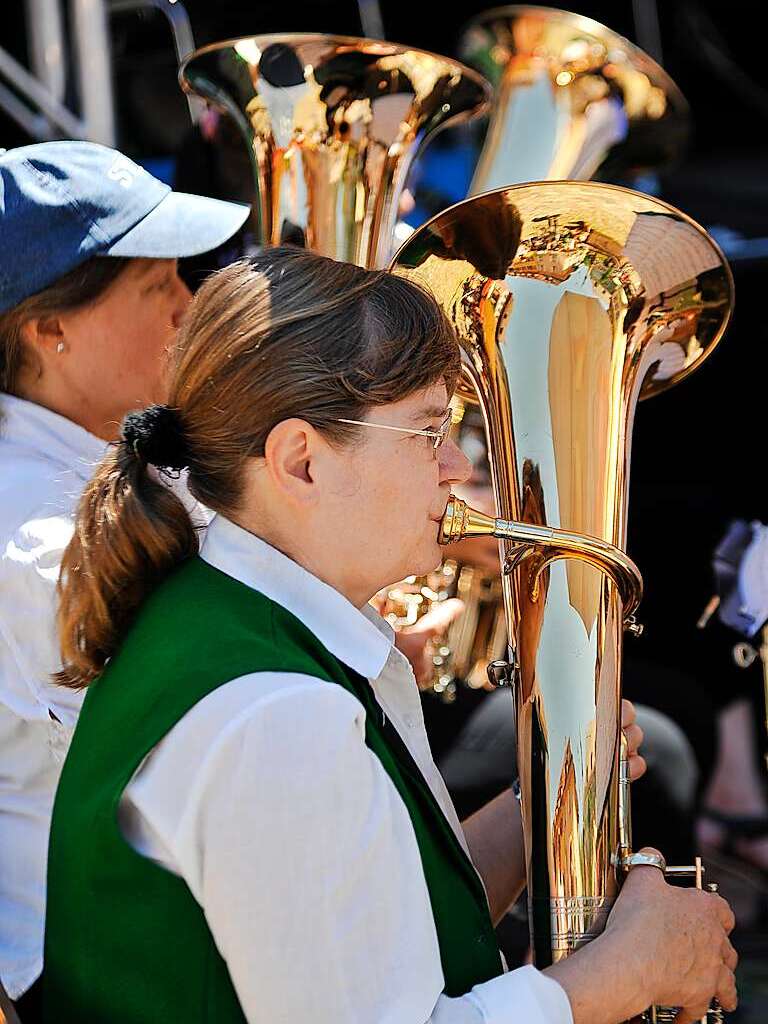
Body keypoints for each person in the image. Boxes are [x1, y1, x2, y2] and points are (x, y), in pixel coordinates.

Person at [46, 247, 736, 1024]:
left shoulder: (226, 617)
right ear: (300, 461)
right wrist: (632, 969)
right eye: (428, 431)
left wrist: (537, 799)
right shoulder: (278, 719)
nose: (455, 467)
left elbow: (368, 925)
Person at [0, 140, 250, 1014]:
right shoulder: (33, 542)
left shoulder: (115, 460)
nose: (190, 306)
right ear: (49, 330)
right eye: (157, 287)